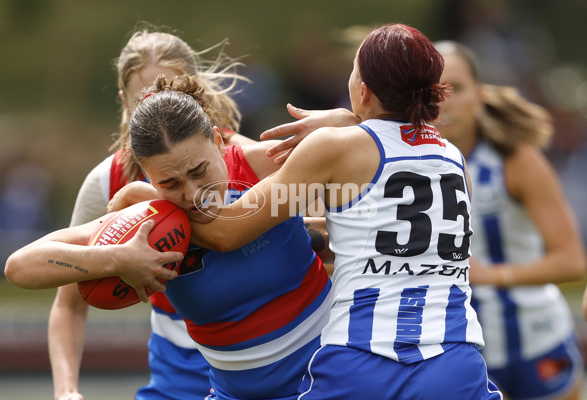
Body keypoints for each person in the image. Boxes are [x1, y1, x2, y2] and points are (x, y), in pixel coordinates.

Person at [147, 23, 502, 399]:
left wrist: (146, 200)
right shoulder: (453, 158)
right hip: (454, 358)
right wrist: (351, 121)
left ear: (362, 89)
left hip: (364, 359)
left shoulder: (333, 147)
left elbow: (225, 231)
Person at [5, 72, 334, 399]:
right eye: (171, 184)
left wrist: (343, 121)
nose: (192, 194)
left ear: (219, 142)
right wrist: (118, 258)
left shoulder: (271, 164)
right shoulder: (149, 219)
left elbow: (371, 151)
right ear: (148, 176)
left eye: (198, 171)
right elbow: (19, 266)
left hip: (327, 377)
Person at [47, 27, 255, 400]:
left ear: (198, 91)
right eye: (145, 97)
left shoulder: (253, 162)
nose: (160, 107)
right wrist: (67, 391)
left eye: (173, 92)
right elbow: (68, 304)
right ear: (125, 102)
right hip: (177, 378)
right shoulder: (109, 180)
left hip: (263, 367)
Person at [431, 40, 586, 400]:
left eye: (456, 88)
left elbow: (572, 260)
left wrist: (490, 275)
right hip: (459, 353)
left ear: (480, 95)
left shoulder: (515, 160)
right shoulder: (397, 164)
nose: (445, 101)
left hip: (536, 341)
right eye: (433, 90)